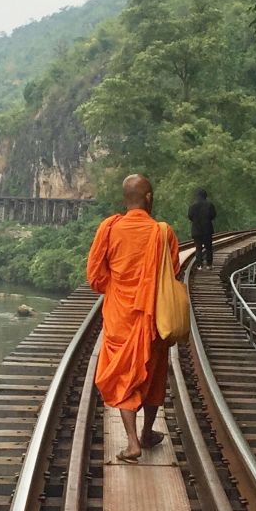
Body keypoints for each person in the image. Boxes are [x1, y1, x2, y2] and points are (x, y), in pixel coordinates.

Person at [86, 174, 179, 463]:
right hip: (154, 316)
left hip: (119, 317)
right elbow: (172, 272)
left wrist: (115, 287)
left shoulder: (109, 228)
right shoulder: (163, 232)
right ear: (148, 198)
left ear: (125, 199)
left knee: (124, 374)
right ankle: (147, 431)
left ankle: (132, 442)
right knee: (152, 373)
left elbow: (95, 276)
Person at [187, 188, 216, 270]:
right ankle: (209, 264)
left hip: (196, 230)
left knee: (198, 248)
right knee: (208, 247)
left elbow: (190, 216)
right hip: (207, 229)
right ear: (205, 196)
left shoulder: (193, 205)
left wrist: (196, 221)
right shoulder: (209, 204)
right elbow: (213, 215)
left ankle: (199, 265)